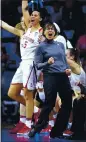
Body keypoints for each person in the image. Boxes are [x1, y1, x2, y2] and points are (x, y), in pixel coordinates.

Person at [1, 0, 43, 135]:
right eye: (32, 15)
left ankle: (29, 124)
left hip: (31, 64)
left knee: (27, 94)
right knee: (12, 93)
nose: (32, 16)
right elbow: (24, 8)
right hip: (22, 64)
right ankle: (37, 109)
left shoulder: (40, 33)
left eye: (36, 15)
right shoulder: (24, 31)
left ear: (40, 19)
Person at [28, 22, 72, 138]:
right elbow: (38, 65)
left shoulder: (60, 45)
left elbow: (64, 61)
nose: (50, 30)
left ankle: (57, 131)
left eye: (52, 29)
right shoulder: (40, 47)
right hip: (50, 76)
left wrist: (67, 69)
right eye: (48, 29)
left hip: (63, 76)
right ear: (44, 32)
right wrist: (47, 63)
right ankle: (38, 127)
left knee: (67, 103)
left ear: (54, 32)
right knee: (49, 103)